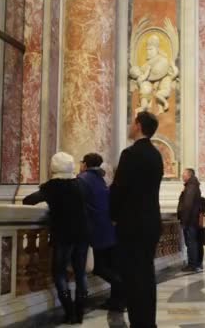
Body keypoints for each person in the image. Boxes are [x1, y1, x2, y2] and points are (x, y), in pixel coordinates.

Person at [22, 152, 91, 324]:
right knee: (81, 272)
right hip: (83, 233)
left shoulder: (52, 186)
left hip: (63, 234)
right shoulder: (81, 184)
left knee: (59, 272)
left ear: (53, 167)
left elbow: (28, 201)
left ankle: (70, 312)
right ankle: (80, 311)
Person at [110, 111, 164, 328]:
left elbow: (119, 189)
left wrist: (113, 216)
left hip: (132, 224)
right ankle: (148, 322)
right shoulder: (156, 155)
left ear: (139, 125)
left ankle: (139, 323)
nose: (131, 126)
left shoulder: (130, 154)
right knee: (147, 275)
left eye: (133, 122)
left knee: (132, 277)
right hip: (151, 221)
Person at [78, 153, 125, 312]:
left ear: (84, 164)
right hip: (108, 229)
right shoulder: (101, 180)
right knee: (112, 266)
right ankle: (116, 300)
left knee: (99, 267)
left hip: (96, 229)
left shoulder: (83, 179)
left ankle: (122, 289)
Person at [177, 168, 204, 272]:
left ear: (189, 175)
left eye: (184, 174)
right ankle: (196, 263)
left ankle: (192, 264)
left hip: (190, 220)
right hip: (193, 219)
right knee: (195, 241)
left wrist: (185, 221)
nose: (182, 176)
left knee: (191, 242)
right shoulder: (193, 186)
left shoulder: (191, 187)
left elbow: (187, 205)